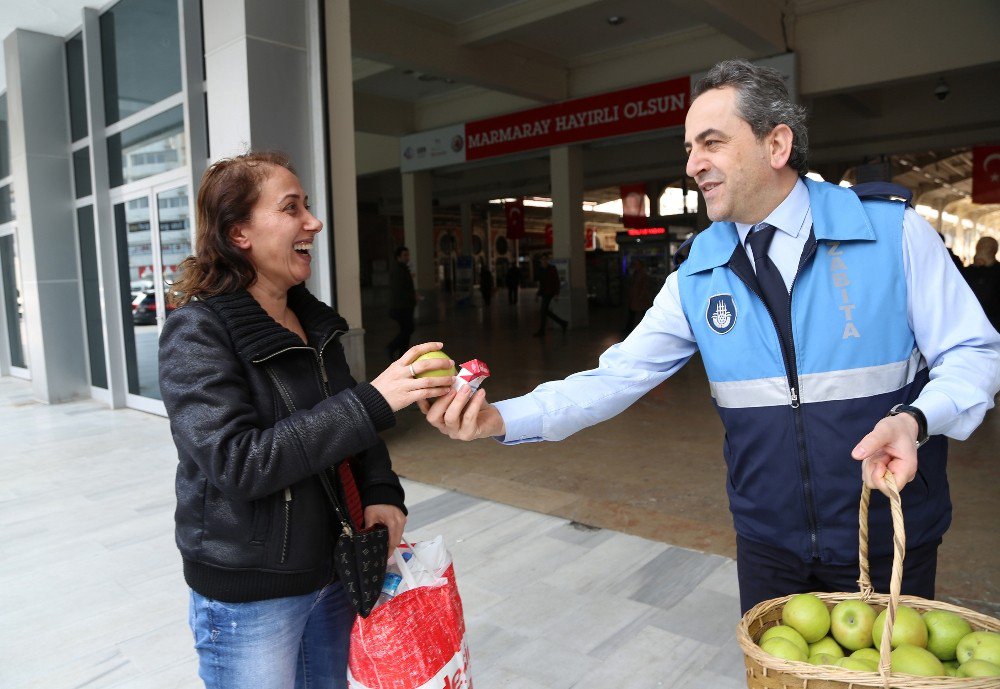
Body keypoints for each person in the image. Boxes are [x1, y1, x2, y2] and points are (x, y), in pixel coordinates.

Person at [421, 59, 1000, 614]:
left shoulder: (891, 233)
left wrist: (915, 420)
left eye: (712, 142)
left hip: (887, 529)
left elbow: (974, 353)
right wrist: (502, 419)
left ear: (777, 146)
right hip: (768, 544)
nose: (694, 164)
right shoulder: (698, 271)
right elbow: (619, 377)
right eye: (690, 148)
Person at [159, 151, 455, 689]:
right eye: (292, 208)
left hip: (334, 569)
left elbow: (352, 430)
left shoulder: (312, 321)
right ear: (239, 232)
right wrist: (373, 400)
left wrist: (383, 490)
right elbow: (239, 464)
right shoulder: (198, 331)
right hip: (251, 594)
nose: (313, 222)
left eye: (308, 206)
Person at [964, 235, 1000, 332]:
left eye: (986, 247)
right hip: (971, 324)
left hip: (992, 325)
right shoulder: (968, 271)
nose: (982, 250)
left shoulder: (968, 272)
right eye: (981, 246)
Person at [387, 245, 417, 360]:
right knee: (408, 329)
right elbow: (400, 289)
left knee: (407, 330)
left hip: (405, 305)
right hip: (401, 307)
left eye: (408, 255)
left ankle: (402, 354)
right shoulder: (398, 269)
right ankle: (392, 347)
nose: (407, 257)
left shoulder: (403, 268)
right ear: (398, 257)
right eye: (405, 255)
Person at [533, 252, 568, 336]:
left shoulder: (552, 268)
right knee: (545, 311)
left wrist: (556, 293)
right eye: (542, 259)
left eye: (545, 259)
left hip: (550, 292)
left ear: (547, 260)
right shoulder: (540, 270)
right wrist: (538, 294)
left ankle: (542, 331)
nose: (544, 261)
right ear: (540, 260)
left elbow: (556, 281)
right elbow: (541, 284)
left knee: (543, 311)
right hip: (544, 292)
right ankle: (563, 323)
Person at [623, 258, 653, 335]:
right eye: (635, 264)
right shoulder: (635, 273)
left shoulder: (643, 274)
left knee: (640, 313)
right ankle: (630, 328)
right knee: (633, 313)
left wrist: (641, 296)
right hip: (635, 297)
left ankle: (645, 328)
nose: (635, 266)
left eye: (637, 264)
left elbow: (644, 287)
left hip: (640, 298)